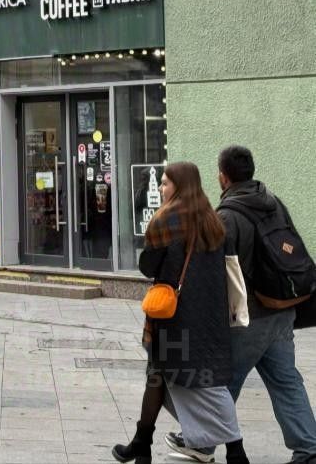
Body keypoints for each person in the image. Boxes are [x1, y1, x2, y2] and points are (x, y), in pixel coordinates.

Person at [168, 147, 316, 464]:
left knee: (221, 380)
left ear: (223, 176)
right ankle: (309, 447)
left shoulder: (227, 217)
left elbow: (211, 274)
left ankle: (203, 444)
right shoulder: (273, 202)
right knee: (286, 381)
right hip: (282, 311)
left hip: (250, 317)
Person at [112, 161, 249, 464]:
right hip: (208, 318)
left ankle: (236, 450)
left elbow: (149, 267)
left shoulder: (166, 220)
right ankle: (141, 443)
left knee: (193, 383)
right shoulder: (213, 220)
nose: (161, 188)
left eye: (165, 183)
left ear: (180, 186)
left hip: (173, 320)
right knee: (166, 377)